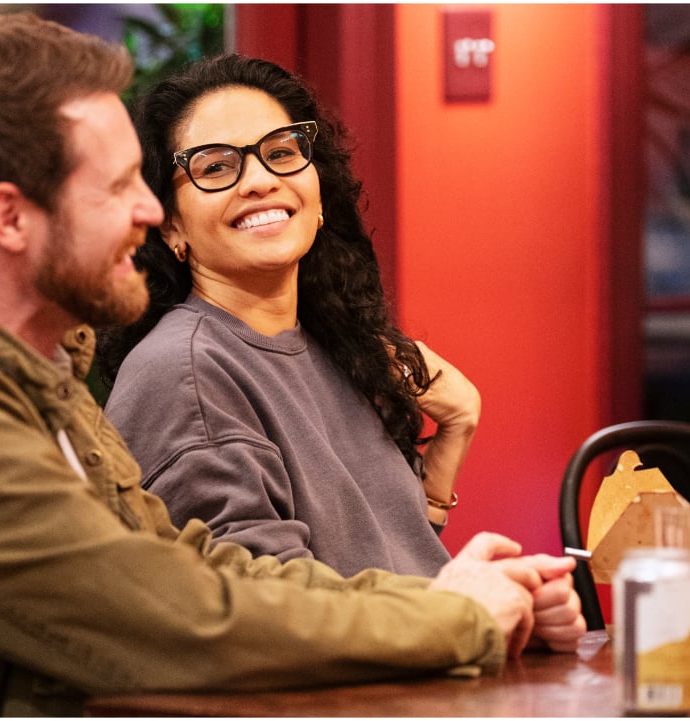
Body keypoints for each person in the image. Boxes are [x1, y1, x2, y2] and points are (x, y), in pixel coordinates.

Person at [0, 13, 585, 716]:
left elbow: (192, 565)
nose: (147, 211)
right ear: (9, 217)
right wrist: (456, 617)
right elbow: (175, 622)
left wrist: (458, 601)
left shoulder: (29, 360)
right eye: (116, 188)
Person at [96, 55, 475, 579]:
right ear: (171, 229)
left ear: (318, 194)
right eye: (215, 166)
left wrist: (454, 431)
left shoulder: (333, 344)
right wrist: (466, 604)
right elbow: (272, 610)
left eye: (280, 152)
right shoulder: (186, 374)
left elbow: (386, 558)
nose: (258, 180)